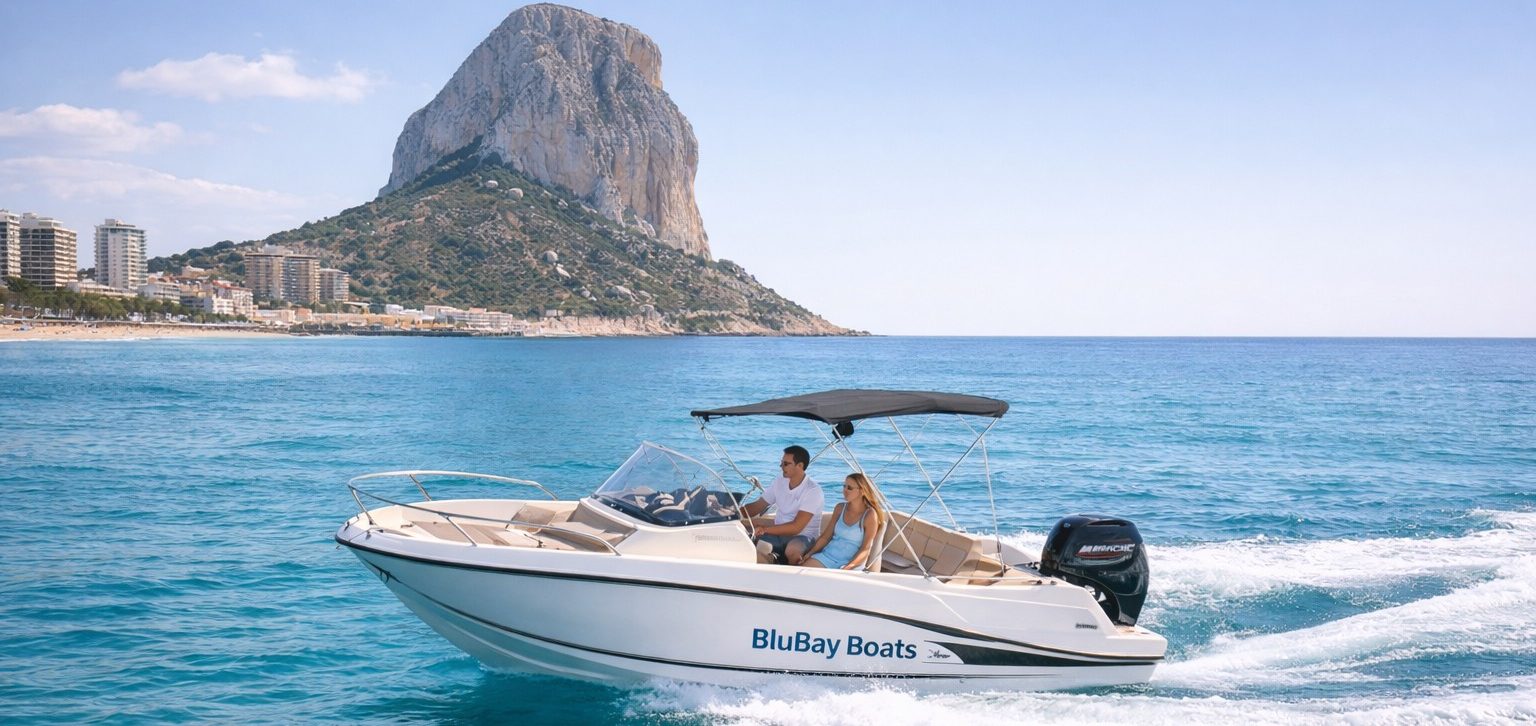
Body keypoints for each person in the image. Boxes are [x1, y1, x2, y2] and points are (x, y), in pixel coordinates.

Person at [739, 445, 824, 564]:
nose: (781, 467)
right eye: (781, 463)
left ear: (800, 466)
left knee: (793, 550)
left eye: (786, 464)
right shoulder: (780, 480)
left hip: (803, 536)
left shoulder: (813, 490)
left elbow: (796, 528)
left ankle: (791, 578)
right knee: (739, 537)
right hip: (777, 531)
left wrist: (765, 529)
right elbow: (759, 505)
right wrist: (733, 512)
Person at [802, 472, 884, 571]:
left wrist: (849, 566)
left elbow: (865, 549)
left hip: (851, 563)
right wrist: (810, 553)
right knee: (801, 574)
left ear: (862, 491)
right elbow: (825, 537)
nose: (845, 490)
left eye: (849, 488)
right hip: (827, 557)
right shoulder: (840, 508)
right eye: (844, 486)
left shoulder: (870, 515)